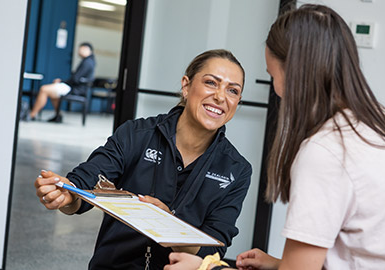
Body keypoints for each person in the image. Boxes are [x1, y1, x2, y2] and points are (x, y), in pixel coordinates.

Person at [164, 4, 385, 270]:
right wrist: (279, 265)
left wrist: (207, 267)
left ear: (295, 75)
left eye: (273, 76)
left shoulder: (327, 150)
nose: (277, 91)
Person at [34, 49, 252, 269]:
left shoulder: (237, 169)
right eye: (211, 83)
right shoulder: (136, 135)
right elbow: (84, 184)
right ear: (186, 86)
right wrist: (65, 195)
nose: (221, 97)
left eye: (232, 90)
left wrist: (169, 225)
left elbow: (214, 248)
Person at [28, 42, 96, 122]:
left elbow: (75, 79)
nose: (78, 52)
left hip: (75, 89)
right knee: (53, 93)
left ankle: (31, 115)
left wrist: (62, 81)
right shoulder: (89, 61)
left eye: (80, 49)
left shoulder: (87, 63)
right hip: (75, 87)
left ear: (86, 49)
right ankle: (58, 115)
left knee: (44, 89)